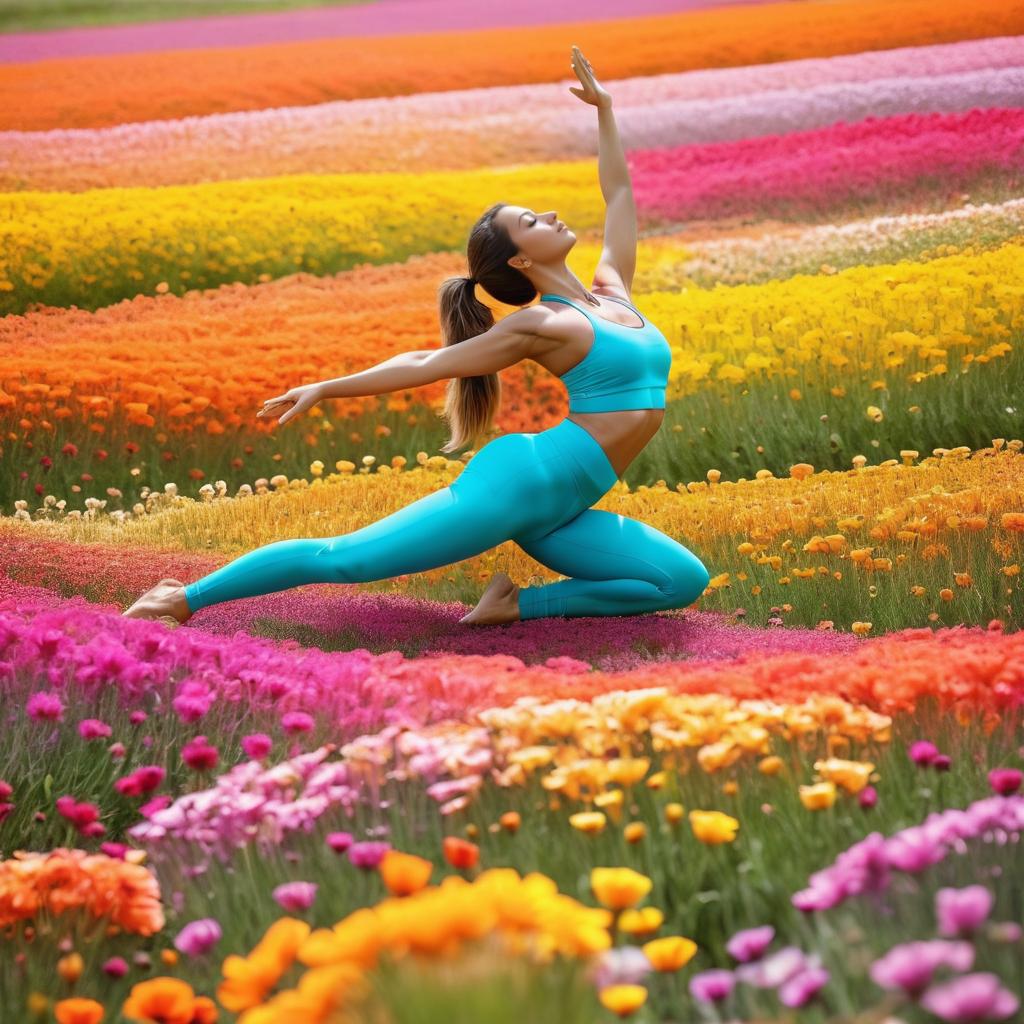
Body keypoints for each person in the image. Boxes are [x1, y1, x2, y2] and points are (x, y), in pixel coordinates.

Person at [123, 45, 711, 628]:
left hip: (566, 506)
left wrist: (604, 109)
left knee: (681, 580)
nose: (550, 216)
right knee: (349, 560)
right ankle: (184, 597)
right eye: (530, 223)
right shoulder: (543, 325)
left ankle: (513, 606)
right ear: (522, 263)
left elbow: (620, 196)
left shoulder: (613, 292)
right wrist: (327, 387)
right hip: (524, 483)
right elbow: (430, 361)